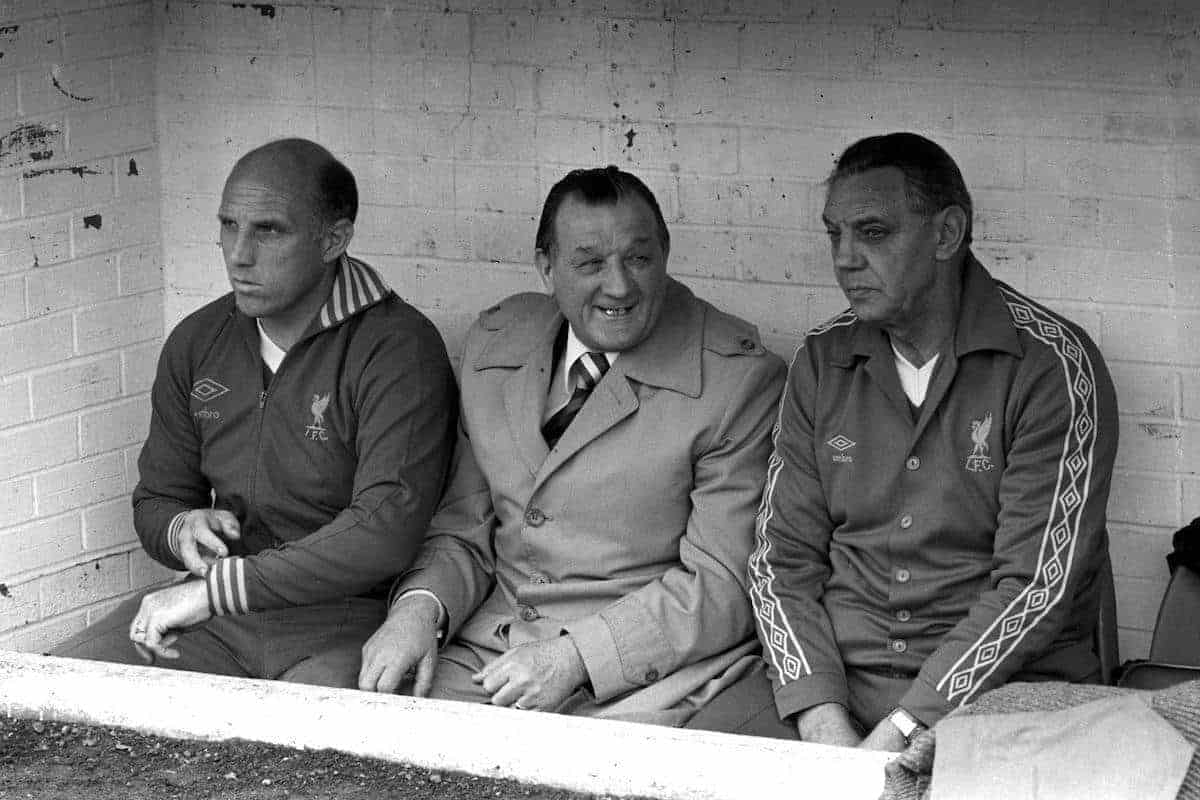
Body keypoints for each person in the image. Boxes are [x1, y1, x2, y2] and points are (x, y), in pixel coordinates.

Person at [694, 132, 1119, 748]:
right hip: (836, 681)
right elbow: (779, 562)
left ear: (946, 235)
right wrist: (819, 714)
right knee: (694, 764)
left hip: (1003, 692)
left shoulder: (1051, 365)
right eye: (833, 233)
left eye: (872, 232)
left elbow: (1035, 584)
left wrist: (907, 724)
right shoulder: (822, 361)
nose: (844, 257)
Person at [356, 166, 786, 726]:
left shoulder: (736, 379)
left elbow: (721, 584)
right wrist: (419, 610)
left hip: (647, 673)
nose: (619, 286)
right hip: (495, 648)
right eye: (589, 264)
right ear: (547, 268)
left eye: (639, 258)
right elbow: (464, 527)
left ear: (665, 253)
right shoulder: (496, 343)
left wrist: (575, 657)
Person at [50, 138, 457, 688]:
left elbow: (382, 532)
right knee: (51, 686)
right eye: (228, 225)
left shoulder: (398, 347)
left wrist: (218, 589)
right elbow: (156, 499)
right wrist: (181, 529)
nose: (239, 254)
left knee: (292, 747)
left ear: (333, 238)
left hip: (349, 619)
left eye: (268, 230)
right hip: (217, 614)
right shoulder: (199, 341)